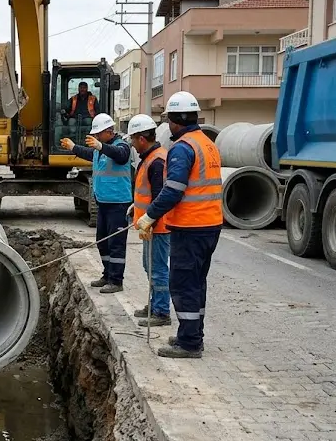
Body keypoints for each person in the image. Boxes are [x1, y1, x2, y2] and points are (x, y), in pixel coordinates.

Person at [135, 92, 222, 359]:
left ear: (174, 121)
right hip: (210, 225)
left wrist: (149, 216)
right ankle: (192, 334)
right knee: (197, 283)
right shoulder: (206, 143)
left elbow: (173, 189)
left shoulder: (183, 148)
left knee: (184, 283)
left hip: (191, 226)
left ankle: (189, 343)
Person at [60, 113, 132, 293]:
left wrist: (101, 146)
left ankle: (116, 281)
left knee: (116, 244)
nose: (96, 137)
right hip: (103, 203)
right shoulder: (101, 150)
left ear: (109, 131)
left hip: (118, 204)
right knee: (102, 241)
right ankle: (107, 274)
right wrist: (73, 147)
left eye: (99, 134)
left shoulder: (121, 145)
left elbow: (121, 155)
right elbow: (89, 153)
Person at [124, 114, 171, 327]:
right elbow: (150, 192)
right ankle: (154, 304)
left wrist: (149, 220)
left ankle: (161, 311)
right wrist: (137, 206)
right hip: (149, 224)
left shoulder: (156, 161)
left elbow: (161, 195)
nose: (132, 144)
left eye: (133, 139)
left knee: (158, 268)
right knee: (149, 265)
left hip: (157, 226)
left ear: (142, 139)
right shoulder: (150, 158)